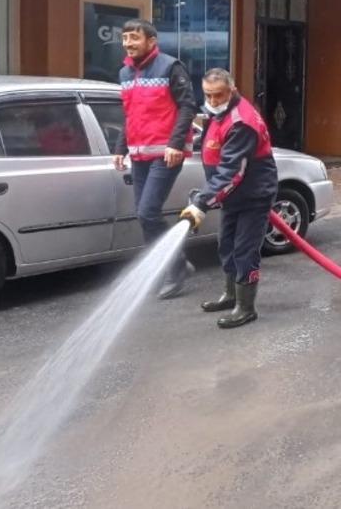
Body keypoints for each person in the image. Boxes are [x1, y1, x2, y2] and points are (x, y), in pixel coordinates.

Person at [180, 69, 278, 329]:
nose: (212, 101)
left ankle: (246, 308)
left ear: (232, 91)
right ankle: (231, 295)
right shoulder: (218, 113)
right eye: (208, 95)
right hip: (232, 196)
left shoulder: (241, 122)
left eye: (218, 95)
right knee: (226, 245)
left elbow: (232, 171)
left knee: (244, 249)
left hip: (252, 195)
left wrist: (202, 202)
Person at [114, 19, 198, 299]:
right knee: (144, 216)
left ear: (151, 41)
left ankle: (175, 269)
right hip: (139, 154)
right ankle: (174, 266)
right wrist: (120, 148)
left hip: (165, 153)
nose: (128, 43)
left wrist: (176, 144)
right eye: (125, 38)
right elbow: (130, 115)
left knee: (148, 212)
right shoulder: (125, 73)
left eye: (134, 37)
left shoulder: (170, 67)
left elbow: (188, 106)